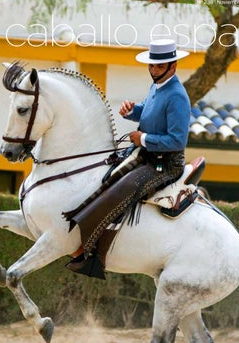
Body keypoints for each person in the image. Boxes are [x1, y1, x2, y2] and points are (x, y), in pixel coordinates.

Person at [65, 39, 191, 279]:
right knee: (107, 175)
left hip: (166, 165)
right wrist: (133, 111)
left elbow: (177, 140)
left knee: (122, 190)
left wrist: (143, 138)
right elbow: (150, 112)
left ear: (172, 66)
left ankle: (96, 257)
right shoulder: (158, 86)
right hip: (147, 155)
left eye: (159, 66)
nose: (153, 70)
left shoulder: (178, 97)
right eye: (152, 66)